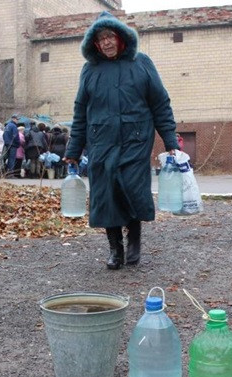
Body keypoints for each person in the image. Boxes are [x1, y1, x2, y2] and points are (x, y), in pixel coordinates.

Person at [63, 11, 179, 270]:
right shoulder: (90, 70)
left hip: (135, 140)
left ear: (121, 37)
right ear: (94, 43)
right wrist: (74, 148)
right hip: (100, 142)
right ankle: (115, 248)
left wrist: (170, 140)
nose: (106, 43)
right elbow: (81, 111)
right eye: (100, 38)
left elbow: (160, 104)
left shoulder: (142, 63)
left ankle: (134, 240)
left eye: (110, 36)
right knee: (106, 194)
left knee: (132, 189)